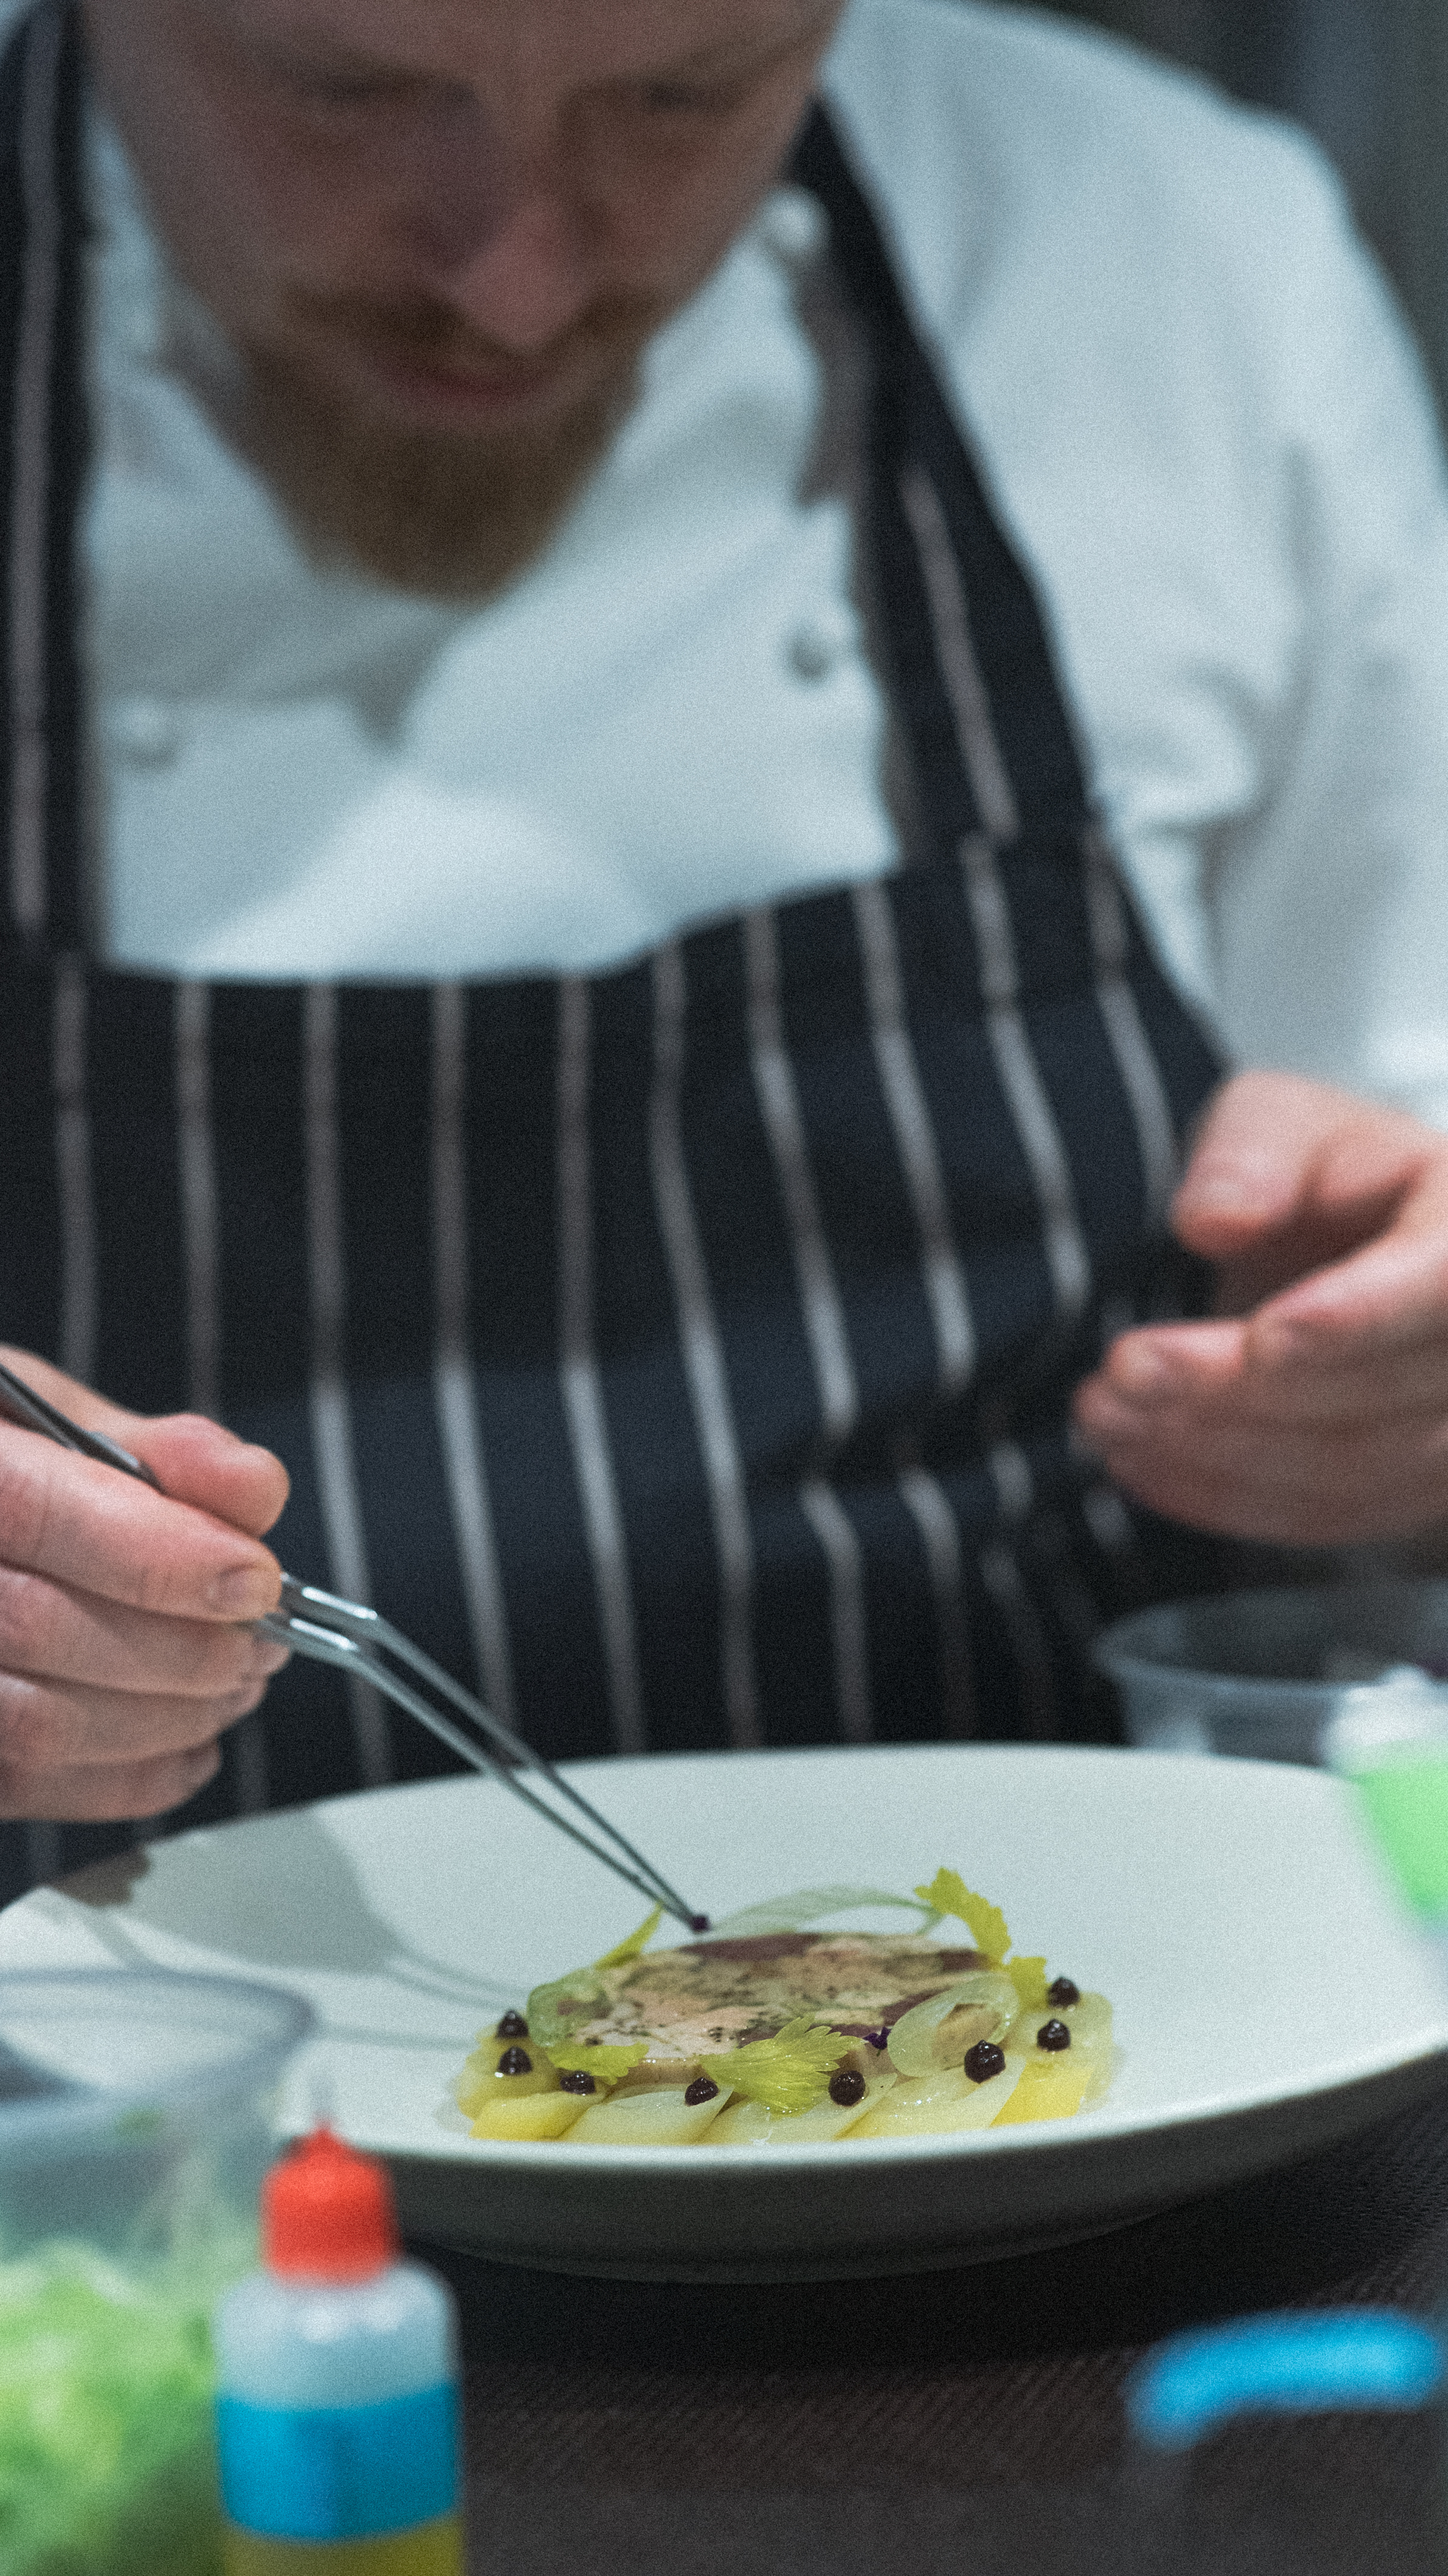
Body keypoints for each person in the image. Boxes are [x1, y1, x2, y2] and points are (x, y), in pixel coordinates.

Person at [2, 0, 1448, 1903]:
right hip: (116, 2159)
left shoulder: (1169, 263)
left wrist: (1379, 1380)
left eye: (683, 93)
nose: (515, 284)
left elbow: (1397, 1132)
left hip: (1129, 2049)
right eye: (339, 88)